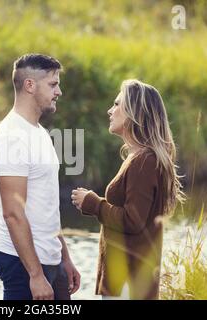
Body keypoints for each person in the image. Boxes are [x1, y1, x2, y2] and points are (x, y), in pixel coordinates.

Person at [71, 79, 185, 300]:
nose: (109, 111)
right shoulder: (140, 158)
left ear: (134, 112)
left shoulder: (144, 161)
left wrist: (94, 204)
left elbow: (133, 221)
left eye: (116, 104)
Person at [0, 53, 80, 300]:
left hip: (49, 259)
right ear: (29, 85)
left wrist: (65, 258)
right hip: (22, 265)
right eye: (53, 84)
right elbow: (13, 214)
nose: (58, 91)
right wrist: (36, 276)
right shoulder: (12, 137)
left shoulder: (38, 132)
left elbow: (45, 205)